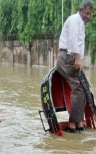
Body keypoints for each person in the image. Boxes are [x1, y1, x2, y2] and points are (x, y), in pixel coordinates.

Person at [56, 0, 94, 133]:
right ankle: (72, 123)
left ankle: (78, 121)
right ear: (81, 10)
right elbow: (72, 41)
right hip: (66, 58)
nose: (88, 16)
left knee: (85, 87)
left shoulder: (81, 24)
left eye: (91, 15)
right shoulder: (73, 19)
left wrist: (78, 59)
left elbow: (79, 44)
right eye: (87, 13)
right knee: (78, 88)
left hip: (72, 59)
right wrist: (78, 58)